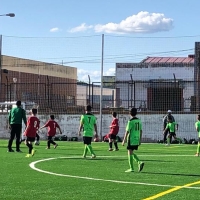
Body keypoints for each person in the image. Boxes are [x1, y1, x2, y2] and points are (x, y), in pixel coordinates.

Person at [122, 107, 144, 173]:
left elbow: (127, 131)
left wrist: (124, 140)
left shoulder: (130, 121)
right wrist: (140, 140)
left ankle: (132, 167)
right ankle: (139, 162)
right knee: (131, 152)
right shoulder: (139, 121)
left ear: (130, 113)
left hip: (131, 139)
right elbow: (141, 131)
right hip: (137, 138)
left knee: (129, 152)